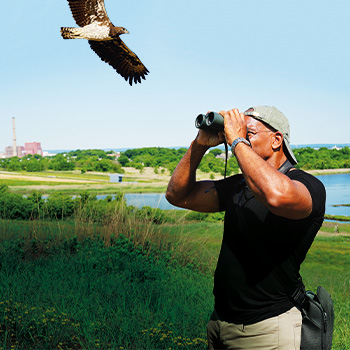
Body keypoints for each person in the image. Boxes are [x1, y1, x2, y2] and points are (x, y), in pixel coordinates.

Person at [166, 106, 326, 350]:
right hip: (220, 322)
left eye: (249, 132)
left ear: (276, 140)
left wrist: (238, 140)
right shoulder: (240, 186)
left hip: (268, 328)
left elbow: (276, 196)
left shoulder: (308, 186)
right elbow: (177, 195)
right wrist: (199, 145)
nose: (236, 134)